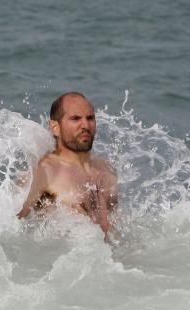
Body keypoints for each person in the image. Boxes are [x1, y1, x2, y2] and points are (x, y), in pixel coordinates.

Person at [18, 92, 118, 240]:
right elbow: (11, 226)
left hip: (111, 260)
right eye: (75, 119)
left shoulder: (106, 168)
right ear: (55, 127)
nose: (85, 125)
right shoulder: (45, 173)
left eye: (90, 118)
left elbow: (113, 226)